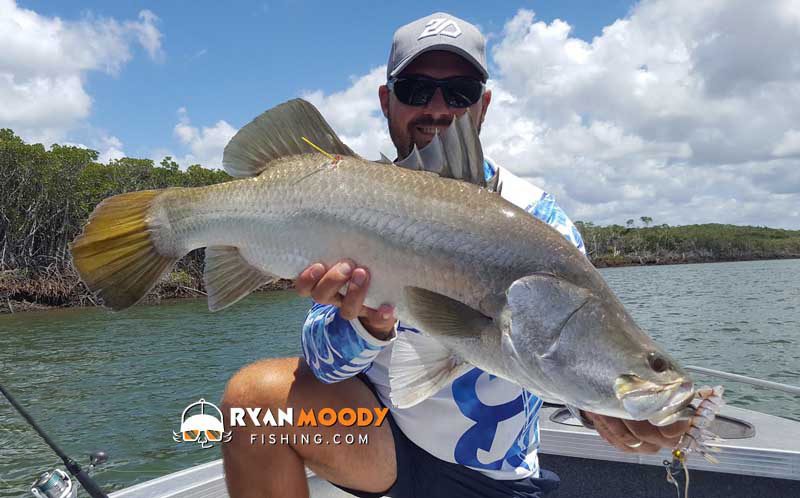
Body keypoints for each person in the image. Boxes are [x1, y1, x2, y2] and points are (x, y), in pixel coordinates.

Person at [221, 12, 688, 498]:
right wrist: (369, 322)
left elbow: (563, 346)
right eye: (417, 89)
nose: (439, 109)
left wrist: (602, 410)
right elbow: (325, 365)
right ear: (387, 100)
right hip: (380, 445)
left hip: (492, 475)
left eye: (460, 91)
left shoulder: (542, 221)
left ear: (483, 104)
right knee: (254, 403)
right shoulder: (349, 201)